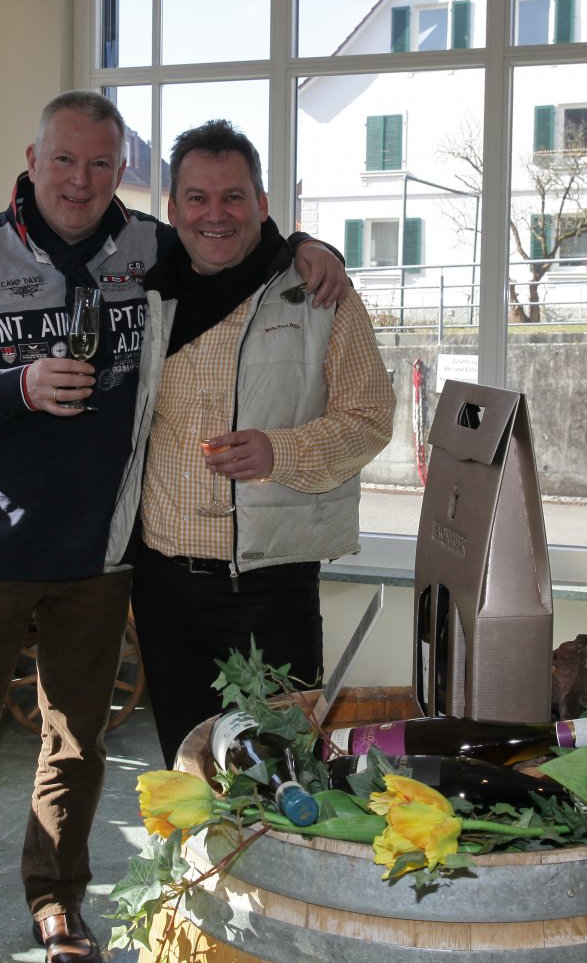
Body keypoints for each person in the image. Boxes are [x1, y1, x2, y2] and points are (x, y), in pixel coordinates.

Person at [0, 90, 345, 963]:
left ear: (122, 169)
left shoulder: (152, 249)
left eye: (101, 163)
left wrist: (312, 248)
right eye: (65, 159)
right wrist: (14, 388)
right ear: (33, 159)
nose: (81, 180)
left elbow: (233, 245)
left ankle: (56, 901)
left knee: (75, 745)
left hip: (102, 555)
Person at [107, 119, 395, 768]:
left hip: (270, 585)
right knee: (188, 770)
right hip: (162, 585)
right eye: (198, 198)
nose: (216, 215)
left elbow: (371, 416)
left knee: (281, 772)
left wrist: (279, 452)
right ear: (173, 208)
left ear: (262, 203)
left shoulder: (317, 292)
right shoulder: (148, 293)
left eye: (233, 197)